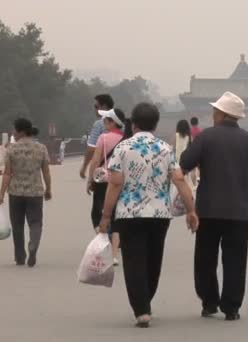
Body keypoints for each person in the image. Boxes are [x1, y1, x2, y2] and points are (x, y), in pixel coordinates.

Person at [99, 103, 198, 328]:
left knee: (134, 260)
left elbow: (114, 184)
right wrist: (191, 210)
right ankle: (146, 301)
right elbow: (179, 179)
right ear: (155, 124)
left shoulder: (123, 148)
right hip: (159, 214)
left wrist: (106, 216)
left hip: (129, 215)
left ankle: (141, 309)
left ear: (133, 124)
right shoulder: (165, 149)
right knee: (154, 259)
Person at [179, 91, 248, 321]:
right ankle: (231, 308)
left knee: (205, 258)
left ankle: (209, 302)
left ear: (222, 114)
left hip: (208, 210)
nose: (212, 114)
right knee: (235, 260)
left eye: (215, 110)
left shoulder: (205, 138)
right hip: (238, 211)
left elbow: (184, 165)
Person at [0, 118, 52, 267]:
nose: (13, 133)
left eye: (14, 130)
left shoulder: (11, 149)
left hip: (16, 193)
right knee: (35, 223)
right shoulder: (41, 148)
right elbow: (46, 172)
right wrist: (48, 189)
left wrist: (1, 193)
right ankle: (33, 244)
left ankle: (20, 257)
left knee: (17, 225)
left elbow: (7, 174)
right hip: (35, 192)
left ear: (21, 131)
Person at [87, 108, 131, 265]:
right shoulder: (127, 140)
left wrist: (90, 180)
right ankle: (114, 254)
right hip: (120, 181)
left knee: (98, 213)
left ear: (113, 122)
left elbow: (95, 160)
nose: (104, 123)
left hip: (103, 181)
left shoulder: (103, 138)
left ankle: (103, 245)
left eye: (106, 120)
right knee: (116, 216)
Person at [80, 94, 113, 179]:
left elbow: (91, 149)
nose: (95, 109)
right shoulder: (122, 124)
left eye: (96, 106)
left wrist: (84, 167)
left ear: (104, 107)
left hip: (103, 171)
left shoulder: (99, 124)